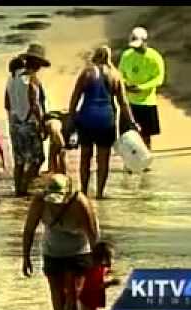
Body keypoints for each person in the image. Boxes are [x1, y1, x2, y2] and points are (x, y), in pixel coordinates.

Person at [22, 174, 100, 310]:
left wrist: (97, 266)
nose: (55, 204)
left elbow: (92, 234)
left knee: (74, 294)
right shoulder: (40, 202)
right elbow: (29, 230)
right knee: (57, 296)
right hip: (52, 249)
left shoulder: (79, 203)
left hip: (79, 249)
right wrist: (26, 258)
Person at [68, 45, 139, 199]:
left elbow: (75, 99)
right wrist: (132, 122)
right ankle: (100, 193)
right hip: (106, 120)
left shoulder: (86, 73)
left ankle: (84, 192)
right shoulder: (115, 75)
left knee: (85, 156)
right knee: (103, 159)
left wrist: (71, 119)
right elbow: (123, 103)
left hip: (87, 118)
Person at [5, 43, 50, 196]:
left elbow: (7, 103)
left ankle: (18, 191)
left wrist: (13, 118)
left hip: (14, 123)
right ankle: (25, 186)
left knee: (19, 160)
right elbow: (35, 104)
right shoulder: (31, 79)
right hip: (29, 123)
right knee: (38, 159)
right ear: (36, 63)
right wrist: (42, 124)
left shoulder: (12, 78)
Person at [118, 27, 165, 158]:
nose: (136, 48)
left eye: (138, 46)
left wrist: (142, 87)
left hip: (147, 102)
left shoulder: (155, 57)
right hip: (129, 102)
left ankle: (145, 159)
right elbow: (120, 73)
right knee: (128, 135)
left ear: (145, 41)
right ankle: (129, 162)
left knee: (146, 135)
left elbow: (159, 78)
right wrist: (126, 84)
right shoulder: (127, 55)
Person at [79, 241, 120, 310]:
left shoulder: (98, 267)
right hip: (87, 302)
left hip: (89, 301)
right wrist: (110, 283)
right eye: (110, 258)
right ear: (103, 258)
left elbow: (102, 271)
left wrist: (107, 272)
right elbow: (94, 286)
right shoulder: (93, 270)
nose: (112, 260)